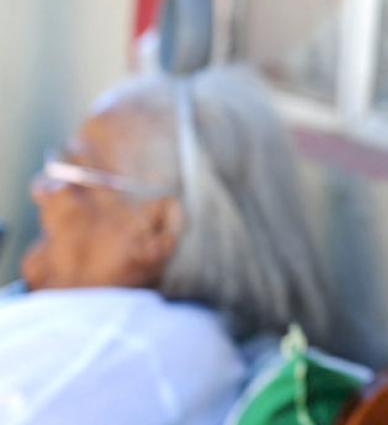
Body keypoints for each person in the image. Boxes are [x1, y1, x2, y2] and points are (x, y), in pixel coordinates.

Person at [0, 66, 327, 425]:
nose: (40, 190)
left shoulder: (143, 349)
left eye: (74, 175)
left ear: (155, 228)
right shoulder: (96, 321)